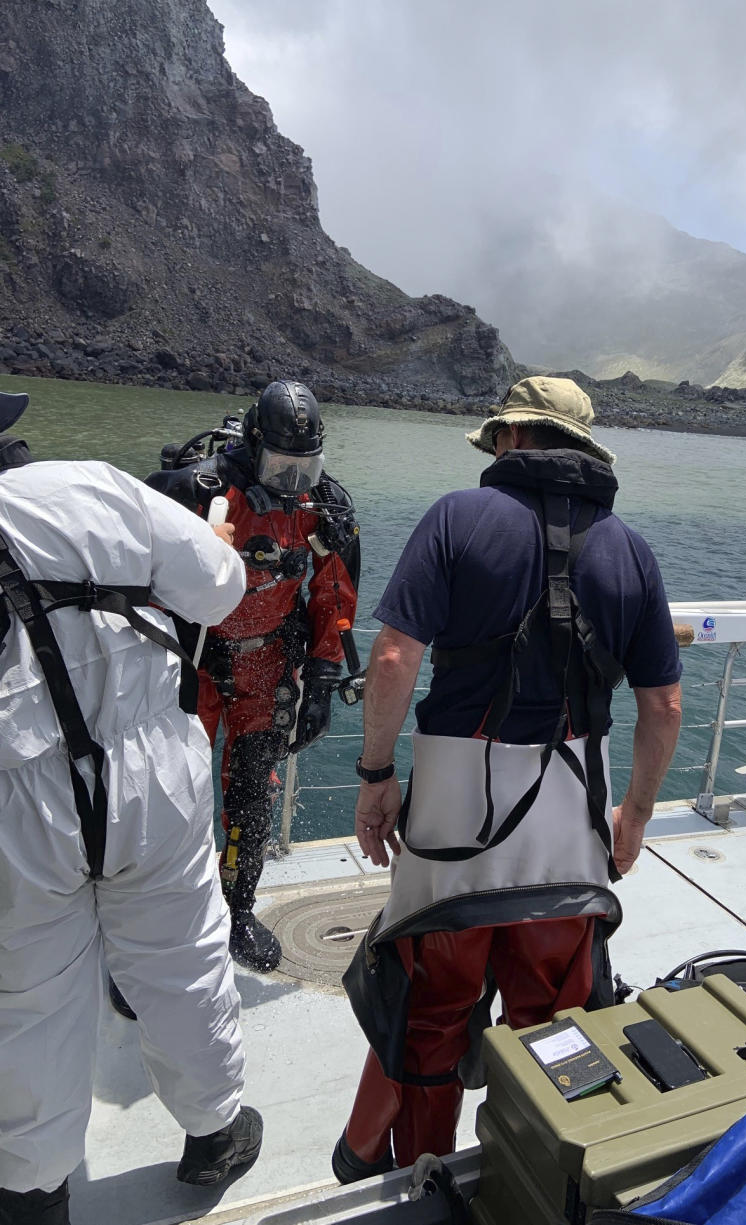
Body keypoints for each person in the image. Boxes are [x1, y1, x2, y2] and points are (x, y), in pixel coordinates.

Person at [334, 376, 683, 1181]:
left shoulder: (458, 517)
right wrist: (634, 813)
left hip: (455, 823)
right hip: (570, 828)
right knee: (555, 1015)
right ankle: (536, 1171)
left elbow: (393, 657)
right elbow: (661, 704)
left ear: (515, 439)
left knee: (433, 1011)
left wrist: (376, 773)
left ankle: (424, 1171)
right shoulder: (630, 549)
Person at [0, 391, 262, 1225]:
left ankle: (34, 1192)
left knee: (29, 997)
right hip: (153, 772)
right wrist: (213, 541)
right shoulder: (99, 487)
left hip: (16, 798)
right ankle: (214, 1133)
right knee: (182, 957)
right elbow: (221, 593)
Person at [145, 380, 360, 972]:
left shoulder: (325, 507)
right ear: (252, 446)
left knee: (250, 800)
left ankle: (237, 909)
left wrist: (320, 683)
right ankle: (155, 934)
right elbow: (139, 582)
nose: (293, 481)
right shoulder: (197, 491)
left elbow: (332, 594)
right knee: (168, 802)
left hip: (265, 671)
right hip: (191, 671)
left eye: (305, 467)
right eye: (280, 466)